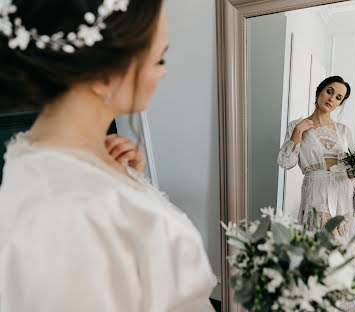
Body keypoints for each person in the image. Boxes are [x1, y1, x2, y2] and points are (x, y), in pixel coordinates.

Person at [0, 1, 216, 311]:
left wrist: (128, 181)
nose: (163, 71)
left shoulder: (54, 158)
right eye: (159, 59)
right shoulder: (68, 211)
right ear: (103, 75)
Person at [277, 76, 355, 238]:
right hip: (316, 190)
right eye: (329, 92)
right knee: (330, 241)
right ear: (319, 90)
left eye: (338, 98)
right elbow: (286, 162)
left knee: (339, 248)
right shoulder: (297, 125)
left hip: (341, 190)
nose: (332, 99)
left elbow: (352, 169)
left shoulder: (344, 130)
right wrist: (298, 132)